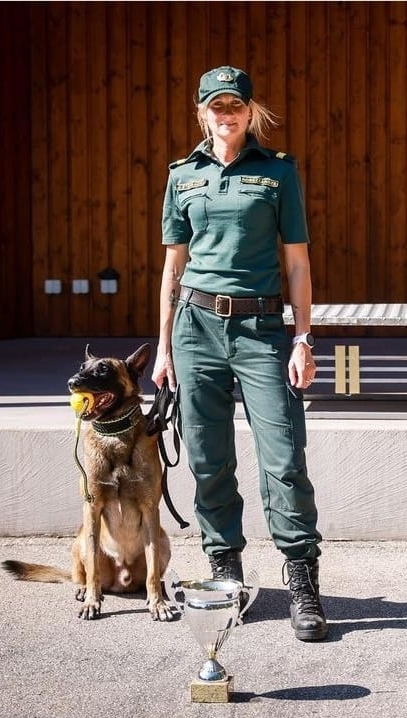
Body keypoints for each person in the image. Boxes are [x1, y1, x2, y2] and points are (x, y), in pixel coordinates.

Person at [152, 65, 328, 642]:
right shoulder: (183, 176)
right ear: (201, 113)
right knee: (207, 458)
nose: (226, 116)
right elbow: (172, 269)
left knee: (283, 457)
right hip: (195, 328)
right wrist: (163, 348)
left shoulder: (278, 173)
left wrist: (303, 338)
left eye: (236, 107)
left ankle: (302, 576)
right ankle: (224, 571)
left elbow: (297, 261)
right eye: (216, 107)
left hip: (260, 330)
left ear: (251, 112)